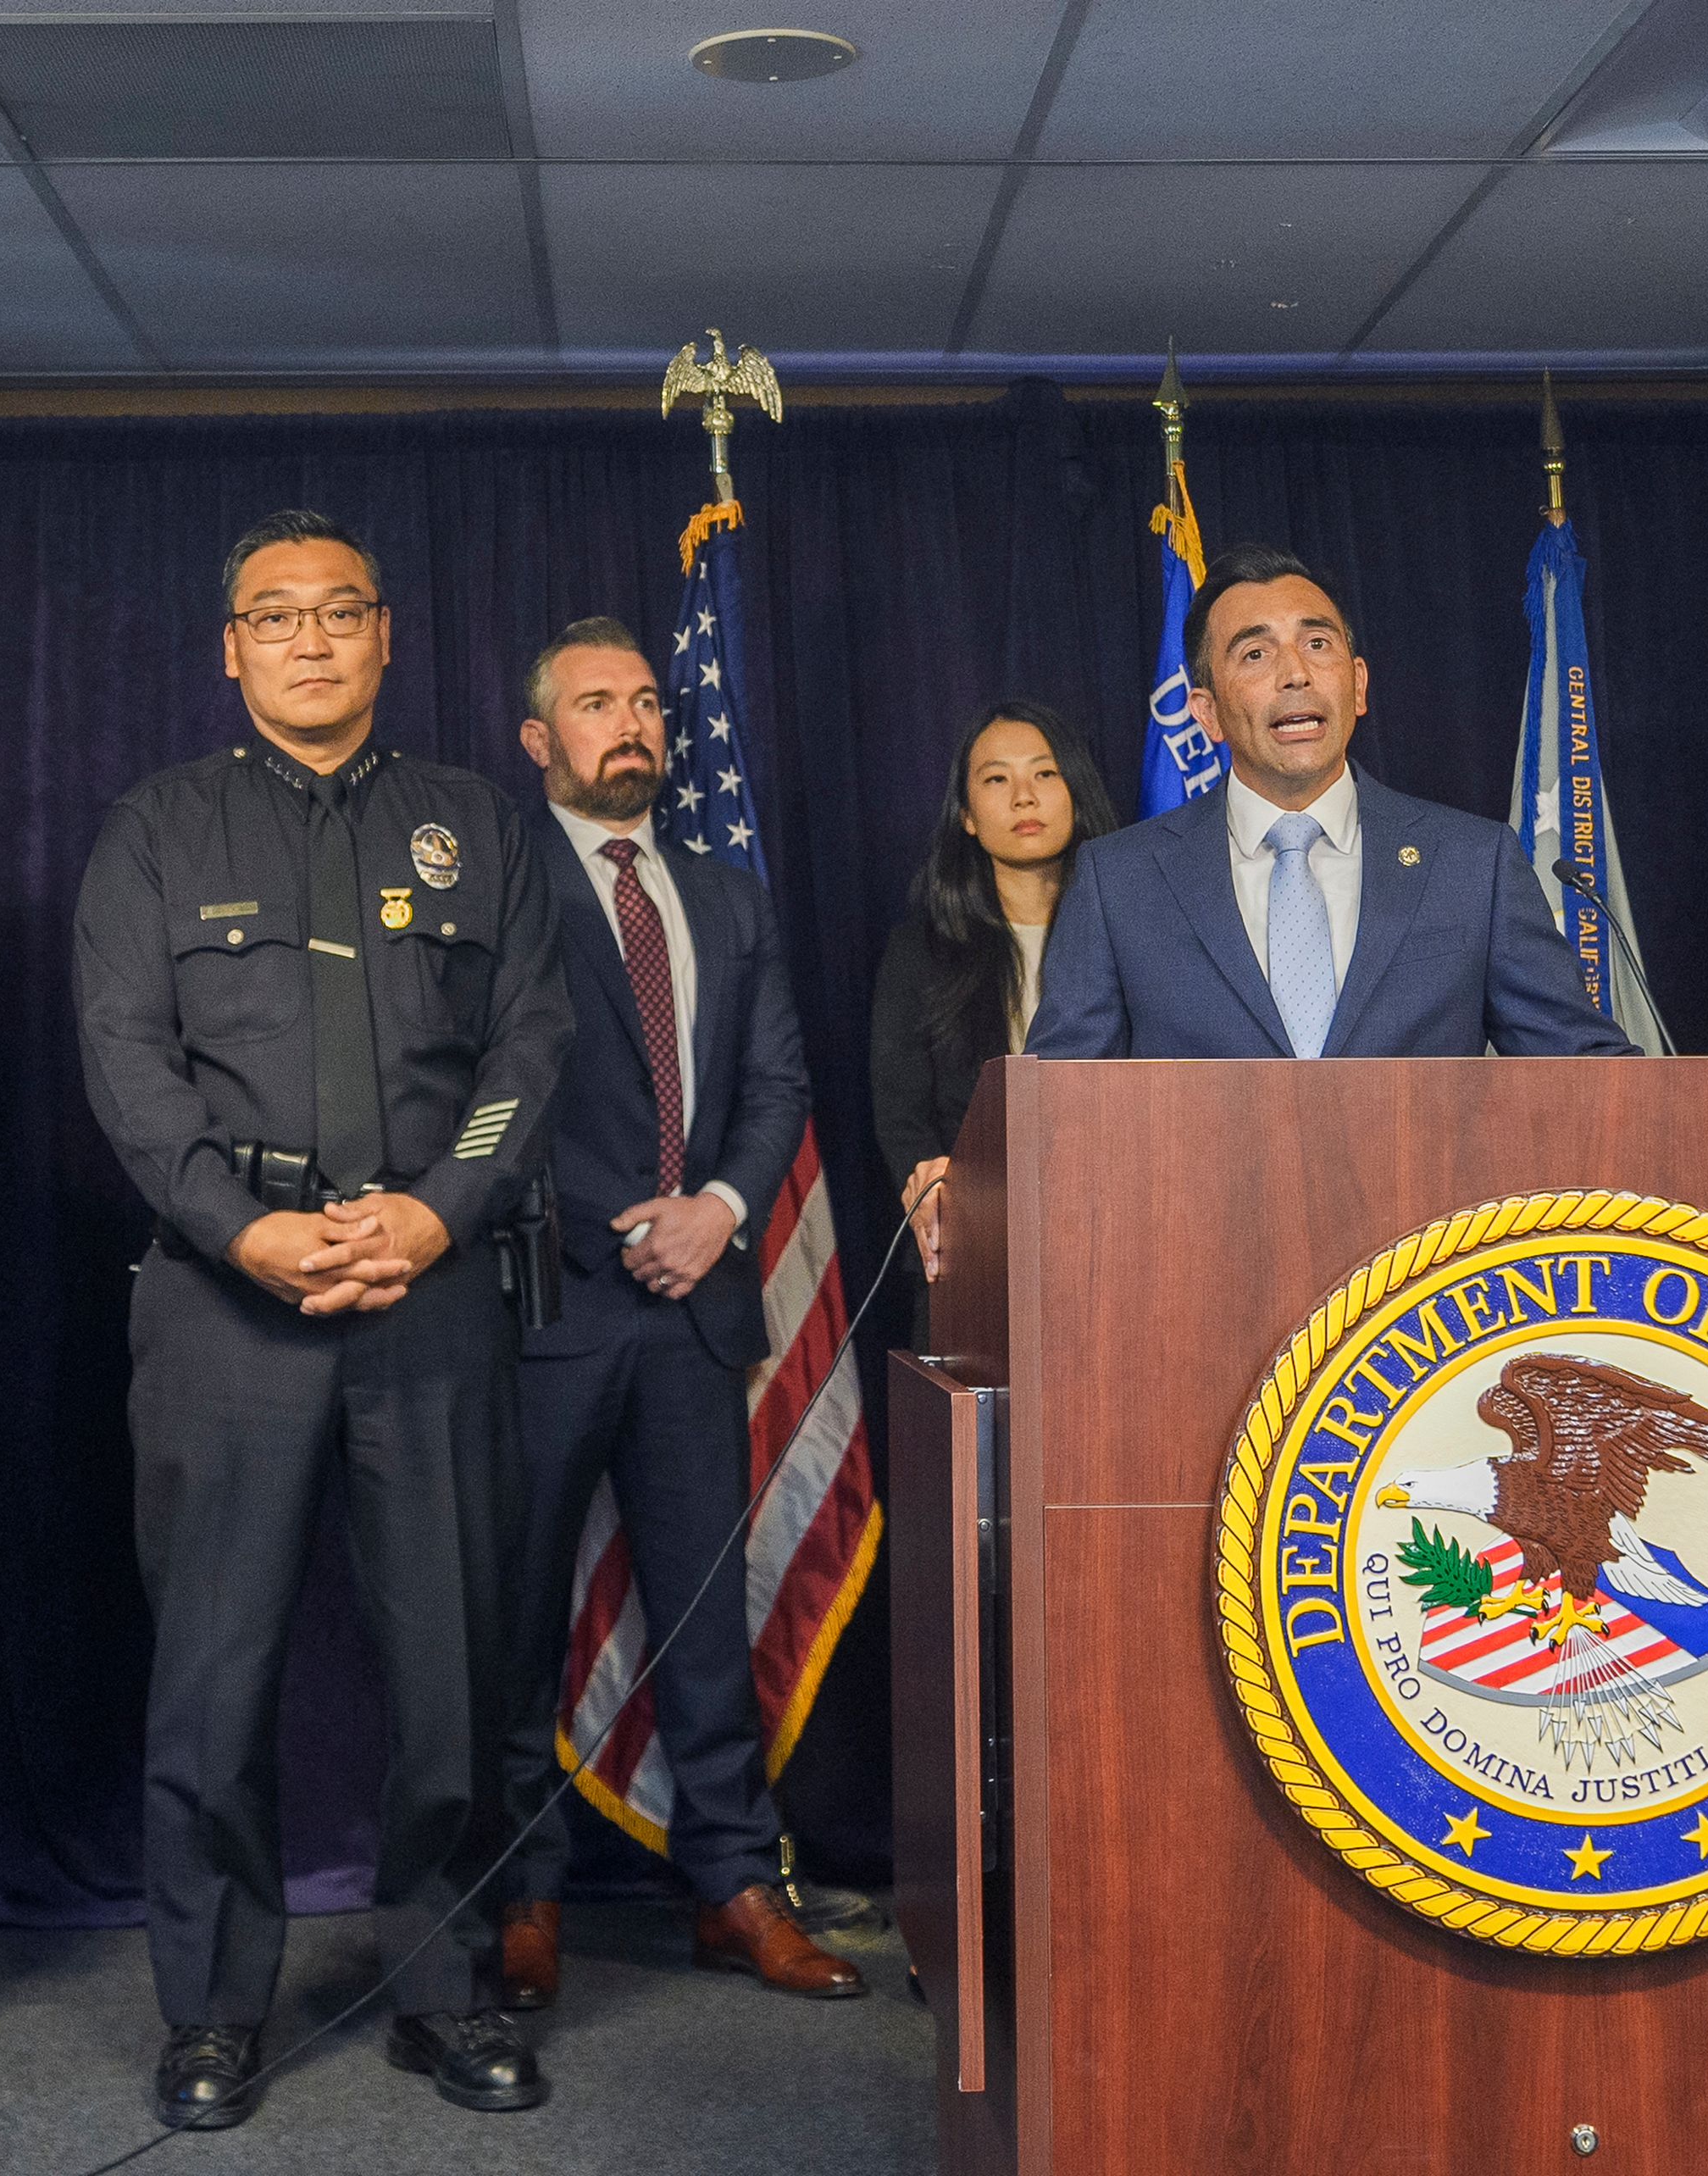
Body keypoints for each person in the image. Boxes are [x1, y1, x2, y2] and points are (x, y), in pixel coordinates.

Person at [73, 511, 574, 2128]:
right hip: (229, 1309)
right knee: (213, 1683)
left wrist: (437, 1210)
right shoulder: (156, 831)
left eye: (338, 611)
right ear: (230, 647)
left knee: (452, 1670)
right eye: (272, 616)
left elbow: (529, 1053)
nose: (307, 639)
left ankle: (444, 1984)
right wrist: (250, 1230)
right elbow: (129, 1069)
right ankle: (215, 2008)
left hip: (432, 1293)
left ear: (382, 637)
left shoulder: (476, 824)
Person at [908, 543, 1630, 1276]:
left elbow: (1588, 1078)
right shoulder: (1120, 881)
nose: (1295, 672)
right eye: (1255, 654)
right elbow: (1057, 1109)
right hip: (1200, 1284)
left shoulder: (1471, 863)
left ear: (1357, 685)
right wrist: (967, 1183)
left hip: (1428, 1301)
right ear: (1208, 712)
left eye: (1318, 643)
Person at [495, 619, 855, 2010]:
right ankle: (522, 1889)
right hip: (544, 1308)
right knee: (518, 1617)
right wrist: (612, 1223)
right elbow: (474, 1091)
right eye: (595, 703)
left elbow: (776, 1085)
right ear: (541, 742)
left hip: (700, 1303)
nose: (630, 724)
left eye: (646, 701)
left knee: (708, 1617)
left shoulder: (728, 895)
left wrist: (716, 1208)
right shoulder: (500, 885)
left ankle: (730, 1885)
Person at [870, 699, 1121, 1239]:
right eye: (996, 779)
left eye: (1045, 773)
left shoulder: (1135, 935)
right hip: (975, 1238)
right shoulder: (920, 953)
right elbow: (903, 1120)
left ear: (1076, 791)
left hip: (1113, 1225)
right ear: (966, 815)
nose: (1023, 797)